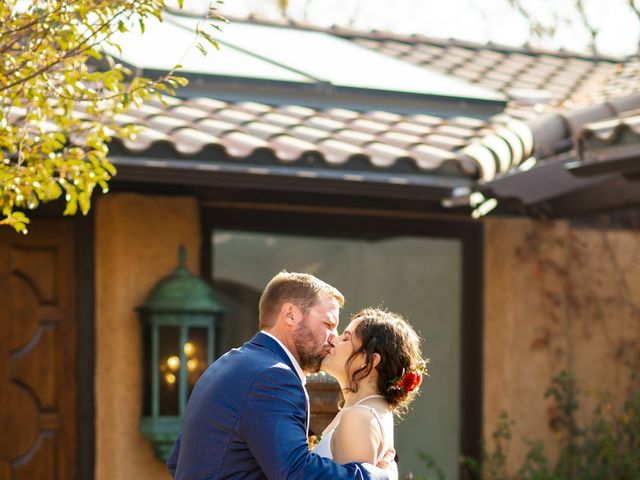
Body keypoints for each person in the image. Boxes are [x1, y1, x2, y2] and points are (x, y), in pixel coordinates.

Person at [167, 271, 397, 479]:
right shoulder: (273, 377)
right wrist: (375, 477)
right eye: (328, 323)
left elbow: (176, 462)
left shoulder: (225, 364)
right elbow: (295, 473)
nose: (333, 337)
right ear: (290, 315)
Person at [314, 308, 427, 466]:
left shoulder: (359, 418)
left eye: (346, 339)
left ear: (370, 360)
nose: (334, 340)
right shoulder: (367, 410)